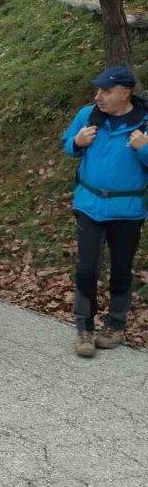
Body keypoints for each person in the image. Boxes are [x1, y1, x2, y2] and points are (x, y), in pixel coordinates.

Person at [62, 64, 148, 358]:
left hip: (127, 211)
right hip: (89, 206)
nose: (98, 96)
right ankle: (84, 328)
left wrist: (144, 148)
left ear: (124, 93)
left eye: (105, 91)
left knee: (121, 270)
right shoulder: (87, 115)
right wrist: (77, 142)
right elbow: (68, 146)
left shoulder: (145, 123)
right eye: (97, 90)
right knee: (86, 268)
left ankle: (115, 326)